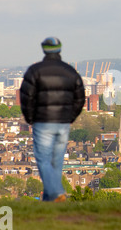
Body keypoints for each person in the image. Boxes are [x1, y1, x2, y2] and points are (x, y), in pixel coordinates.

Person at [20, 37, 85, 202]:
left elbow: (26, 97)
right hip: (63, 123)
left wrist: (30, 118)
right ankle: (51, 200)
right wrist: (71, 117)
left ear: (44, 49)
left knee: (43, 160)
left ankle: (56, 192)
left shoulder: (35, 71)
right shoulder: (70, 72)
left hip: (42, 122)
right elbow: (80, 98)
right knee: (56, 161)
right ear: (59, 49)